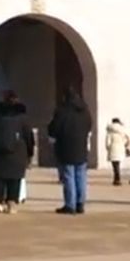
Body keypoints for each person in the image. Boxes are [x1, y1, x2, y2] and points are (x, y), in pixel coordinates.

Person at [0, 93, 34, 213]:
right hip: (17, 153)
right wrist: (29, 154)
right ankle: (11, 203)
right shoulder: (22, 119)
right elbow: (29, 138)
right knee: (14, 180)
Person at [47, 86, 92, 214]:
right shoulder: (84, 110)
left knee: (69, 175)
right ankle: (80, 203)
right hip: (81, 146)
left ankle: (70, 204)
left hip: (66, 146)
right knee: (81, 175)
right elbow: (89, 125)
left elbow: (54, 127)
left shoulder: (62, 111)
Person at [104, 117, 130, 186]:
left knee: (115, 166)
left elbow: (107, 143)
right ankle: (117, 179)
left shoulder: (109, 132)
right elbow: (126, 141)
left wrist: (108, 149)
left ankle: (117, 179)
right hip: (120, 149)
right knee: (118, 164)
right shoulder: (122, 131)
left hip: (113, 149)